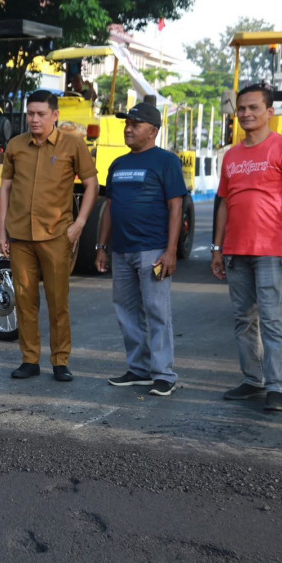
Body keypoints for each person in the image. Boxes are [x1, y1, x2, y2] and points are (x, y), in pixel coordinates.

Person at [211, 83, 282, 412]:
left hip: (272, 249)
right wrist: (217, 248)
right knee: (243, 319)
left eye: (253, 108)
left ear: (270, 112)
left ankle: (276, 387)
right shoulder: (232, 155)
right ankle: (252, 380)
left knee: (272, 320)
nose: (246, 114)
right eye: (241, 109)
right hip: (236, 250)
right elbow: (224, 203)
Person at [0, 89, 99, 382]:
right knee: (25, 299)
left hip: (56, 235)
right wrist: (1, 230)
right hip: (19, 235)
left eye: (41, 114)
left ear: (55, 115)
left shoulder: (72, 145)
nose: (34, 119)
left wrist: (79, 224)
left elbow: (91, 184)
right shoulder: (16, 145)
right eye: (30, 114)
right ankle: (29, 359)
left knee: (58, 301)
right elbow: (5, 188)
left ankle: (60, 361)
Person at [95, 102, 187, 397]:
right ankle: (138, 369)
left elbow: (176, 207)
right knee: (127, 312)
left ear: (153, 131)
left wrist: (171, 250)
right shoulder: (118, 164)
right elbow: (110, 207)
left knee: (157, 312)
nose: (129, 128)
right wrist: (101, 247)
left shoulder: (166, 162)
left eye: (135, 123)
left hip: (153, 249)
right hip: (121, 251)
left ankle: (163, 373)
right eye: (127, 123)